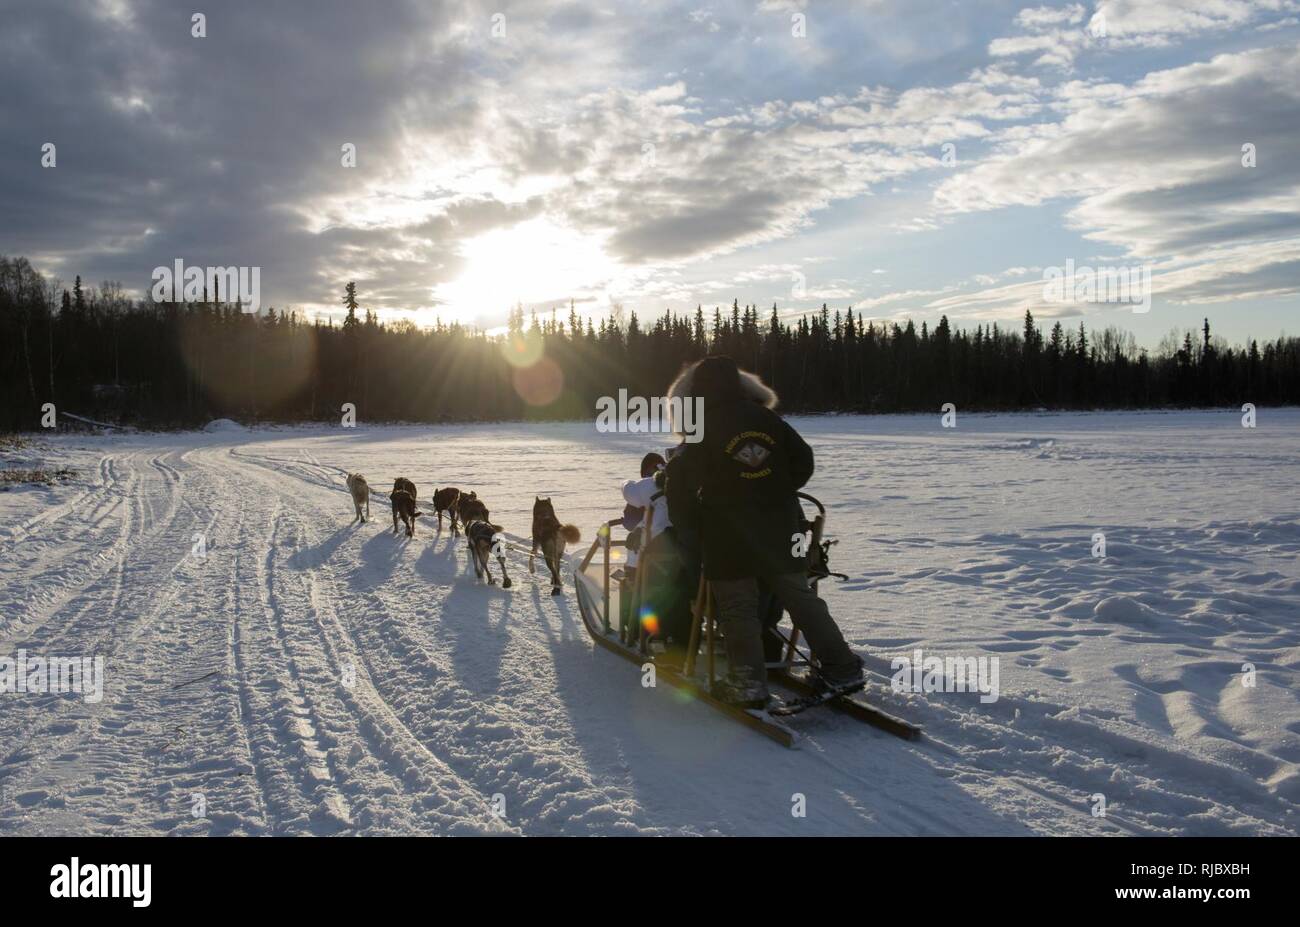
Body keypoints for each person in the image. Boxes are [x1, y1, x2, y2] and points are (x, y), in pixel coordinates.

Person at [664, 355, 863, 708]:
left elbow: (679, 485)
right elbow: (803, 460)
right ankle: (842, 667)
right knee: (800, 597)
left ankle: (749, 683)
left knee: (738, 607)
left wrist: (691, 527)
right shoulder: (766, 418)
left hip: (727, 534)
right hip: (782, 527)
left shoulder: (700, 427)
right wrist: (775, 489)